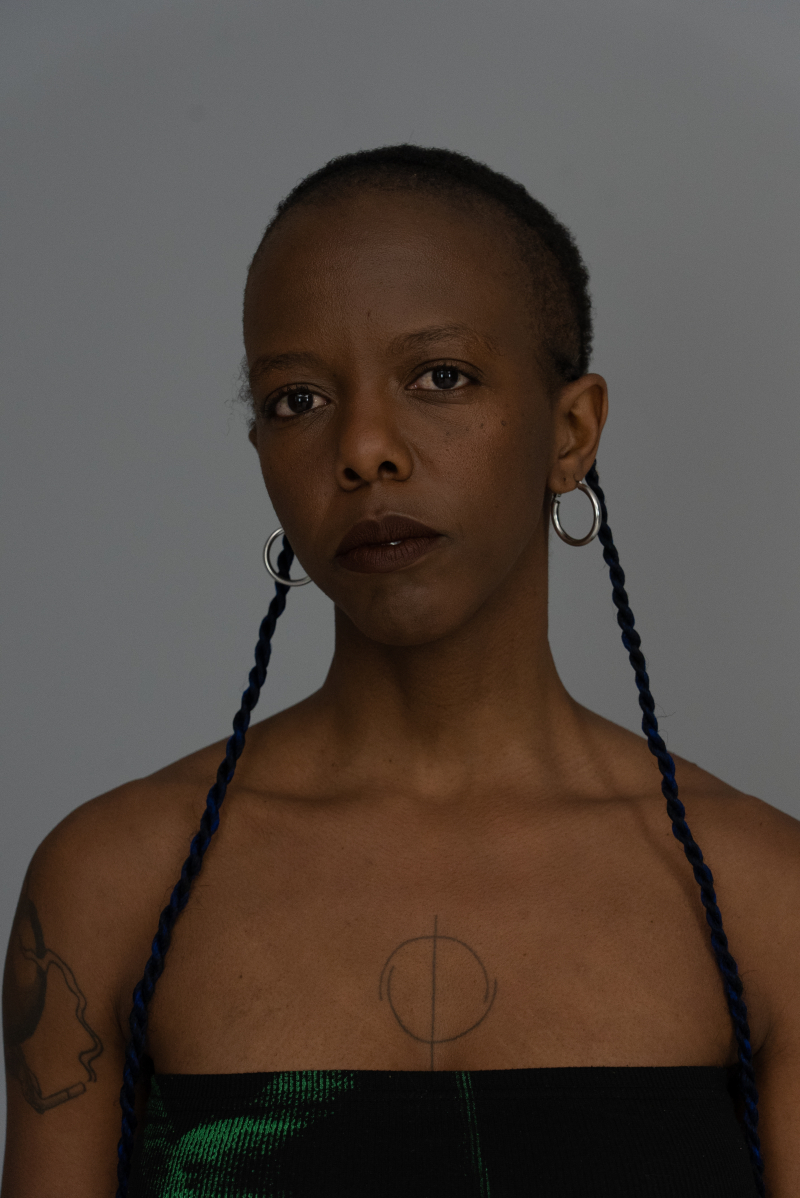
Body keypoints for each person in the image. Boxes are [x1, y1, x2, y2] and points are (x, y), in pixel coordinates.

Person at [2, 145, 798, 1198]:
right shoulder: (114, 883)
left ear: (571, 433)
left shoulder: (764, 897)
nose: (365, 448)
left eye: (440, 378)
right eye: (296, 398)